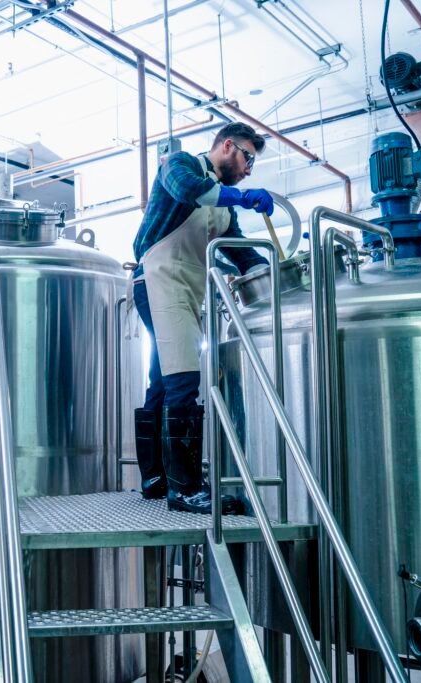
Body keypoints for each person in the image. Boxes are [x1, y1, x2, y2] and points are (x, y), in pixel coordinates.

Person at [131, 122, 274, 514]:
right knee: (184, 376)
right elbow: (187, 191)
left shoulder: (225, 204)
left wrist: (273, 268)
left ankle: (156, 478)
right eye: (247, 158)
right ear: (227, 146)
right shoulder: (181, 165)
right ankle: (186, 489)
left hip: (186, 287)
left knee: (164, 376)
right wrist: (243, 197)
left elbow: (239, 249)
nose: (248, 169)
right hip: (156, 279)